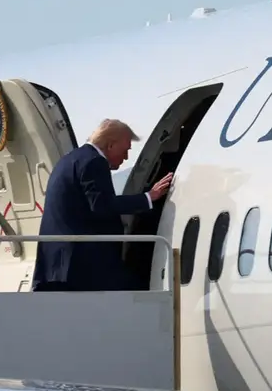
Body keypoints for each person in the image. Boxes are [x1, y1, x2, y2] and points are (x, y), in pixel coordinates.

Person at [32, 118, 174, 292]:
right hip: (79, 265)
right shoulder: (94, 161)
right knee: (137, 291)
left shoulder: (70, 160)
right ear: (110, 145)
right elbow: (102, 205)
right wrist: (148, 197)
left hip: (58, 264)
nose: (126, 157)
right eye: (126, 150)